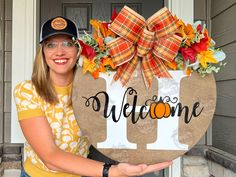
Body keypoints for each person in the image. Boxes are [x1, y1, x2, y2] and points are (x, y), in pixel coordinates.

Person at [14, 16, 172, 177]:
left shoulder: (94, 87)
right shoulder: (27, 90)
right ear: (43, 52)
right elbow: (50, 157)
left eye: (68, 43)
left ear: (78, 50)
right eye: (51, 45)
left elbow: (125, 116)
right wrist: (112, 171)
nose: (59, 51)